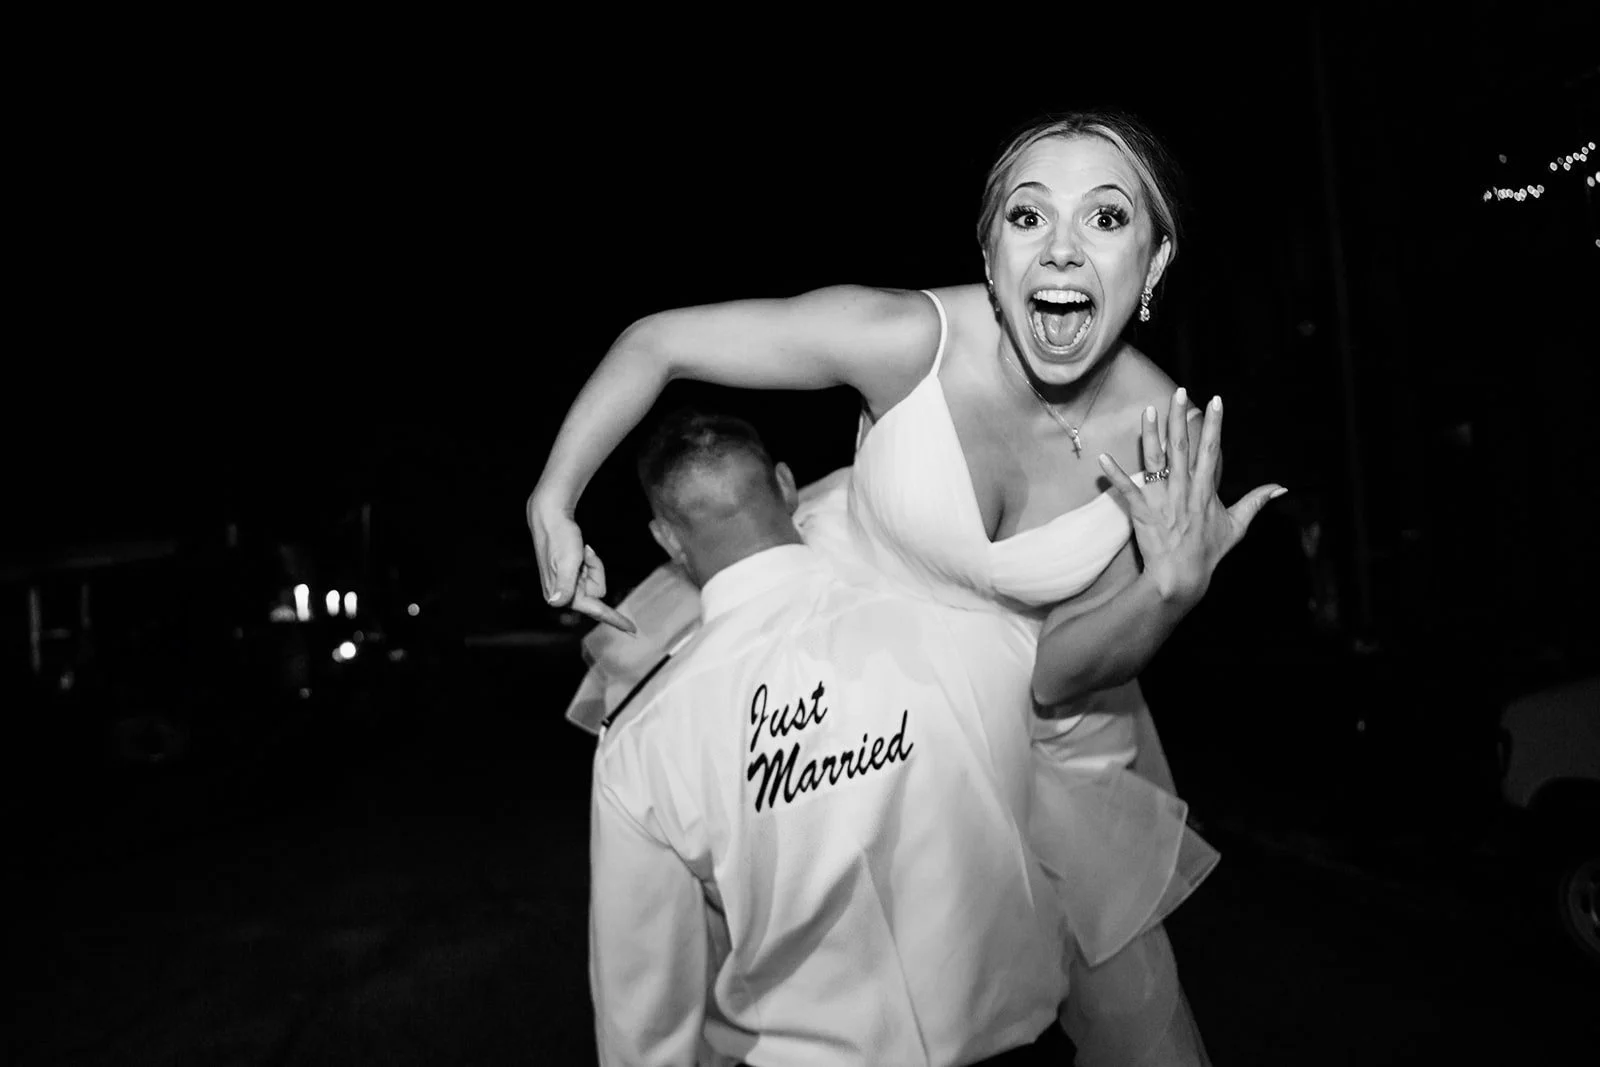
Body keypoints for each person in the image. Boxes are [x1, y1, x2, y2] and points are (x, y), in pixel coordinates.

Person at [540, 111, 1284, 1064]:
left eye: (1105, 219)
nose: (1060, 248)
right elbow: (656, 342)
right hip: (852, 603)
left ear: (1157, 260)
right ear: (989, 251)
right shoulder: (901, 339)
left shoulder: (1158, 437)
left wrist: (1168, 592)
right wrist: (553, 495)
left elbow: (1058, 675)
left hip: (1024, 698)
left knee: (1087, 996)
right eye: (1027, 218)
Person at [591, 410, 1076, 1066]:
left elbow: (645, 1004)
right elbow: (1076, 743)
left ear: (668, 539)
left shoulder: (644, 739)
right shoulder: (966, 622)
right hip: (1019, 1048)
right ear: (788, 485)